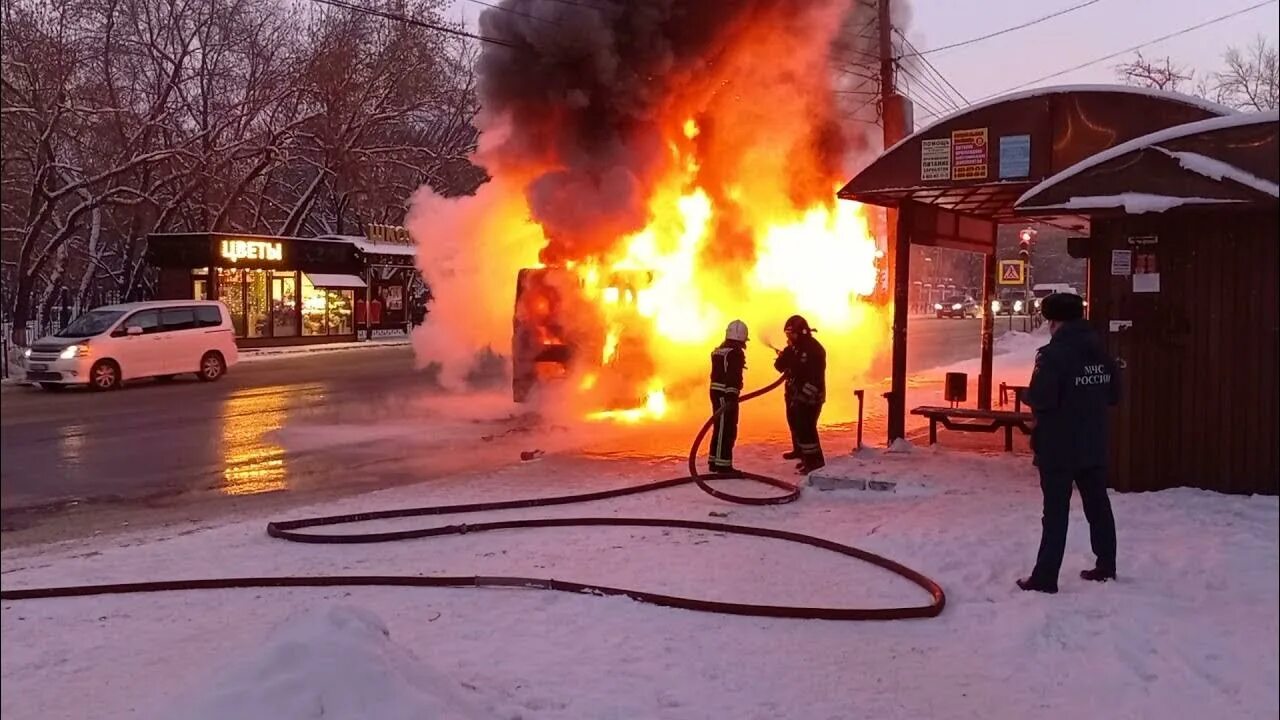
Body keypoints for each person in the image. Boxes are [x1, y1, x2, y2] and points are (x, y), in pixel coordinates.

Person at [1018, 292, 1120, 594]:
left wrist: (1027, 395)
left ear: (1054, 321)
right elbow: (1114, 395)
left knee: (1056, 511)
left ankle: (1045, 577)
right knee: (1098, 504)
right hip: (1093, 441)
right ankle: (1106, 564)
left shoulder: (1052, 355)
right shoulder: (1102, 353)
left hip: (1058, 445)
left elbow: (1042, 398)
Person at [773, 314, 826, 474]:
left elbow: (814, 377)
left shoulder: (814, 350)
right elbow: (779, 367)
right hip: (794, 393)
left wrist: (804, 396)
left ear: (802, 332)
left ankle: (815, 462)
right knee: (796, 425)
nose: (789, 337)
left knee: (806, 428)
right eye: (787, 334)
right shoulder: (794, 348)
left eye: (792, 334)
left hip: (810, 397)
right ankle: (803, 455)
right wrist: (784, 356)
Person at [708, 320, 749, 474]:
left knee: (720, 427)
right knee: (727, 429)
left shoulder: (720, 350)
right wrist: (732, 394)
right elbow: (733, 376)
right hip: (726, 394)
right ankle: (723, 465)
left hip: (716, 393)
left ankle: (714, 461)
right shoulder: (735, 353)